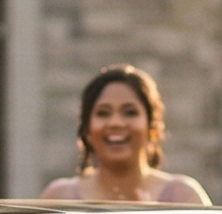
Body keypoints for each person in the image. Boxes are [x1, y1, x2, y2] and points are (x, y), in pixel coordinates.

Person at [39, 65, 209, 205]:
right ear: (86, 130)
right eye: (103, 113)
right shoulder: (60, 197)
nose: (116, 123)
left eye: (130, 112)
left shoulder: (183, 197)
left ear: (153, 127)